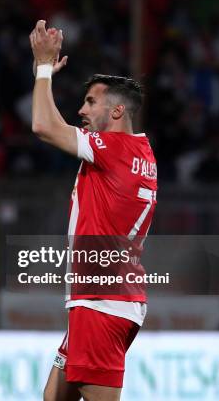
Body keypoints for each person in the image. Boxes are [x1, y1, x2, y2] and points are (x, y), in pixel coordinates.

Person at [29, 20, 158, 401]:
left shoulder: (113, 149)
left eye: (90, 102)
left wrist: (42, 68)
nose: (81, 110)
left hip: (101, 302)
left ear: (117, 112)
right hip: (111, 298)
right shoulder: (141, 153)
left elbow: (43, 125)